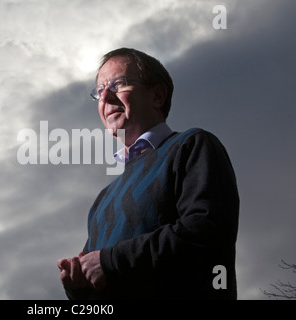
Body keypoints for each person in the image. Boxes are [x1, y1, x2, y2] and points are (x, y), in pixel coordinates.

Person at [57, 48, 239, 299]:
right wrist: (77, 284)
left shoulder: (191, 146)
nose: (106, 97)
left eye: (118, 84)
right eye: (99, 90)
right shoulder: (102, 200)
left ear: (157, 95)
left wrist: (110, 261)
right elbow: (99, 279)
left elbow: (207, 232)